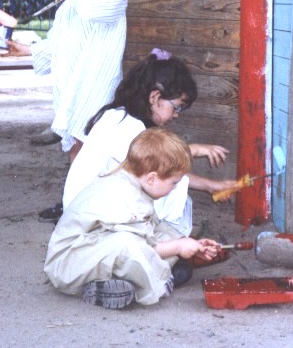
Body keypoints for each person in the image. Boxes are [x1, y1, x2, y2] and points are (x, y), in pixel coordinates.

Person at [60, 50, 236, 236]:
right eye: (176, 108)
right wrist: (194, 149)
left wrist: (211, 186)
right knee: (163, 196)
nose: (176, 115)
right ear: (155, 98)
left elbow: (164, 173)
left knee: (162, 186)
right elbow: (161, 169)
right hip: (89, 223)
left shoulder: (120, 116)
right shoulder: (127, 126)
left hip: (83, 213)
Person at [44, 127, 221, 309]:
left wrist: (188, 243)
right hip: (69, 264)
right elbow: (139, 246)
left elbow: (151, 232)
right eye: (173, 183)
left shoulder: (131, 177)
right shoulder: (125, 198)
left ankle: (115, 286)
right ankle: (146, 283)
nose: (175, 188)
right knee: (128, 245)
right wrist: (178, 247)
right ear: (152, 178)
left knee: (168, 234)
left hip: (93, 248)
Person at [7, 0, 129, 164]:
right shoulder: (69, 0)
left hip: (96, 90)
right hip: (75, 92)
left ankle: (78, 201)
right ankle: (75, 201)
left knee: (89, 154)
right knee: (78, 152)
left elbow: (100, 7)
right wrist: (27, 50)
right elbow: (59, 44)